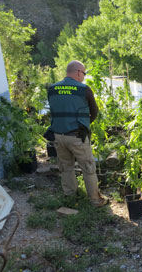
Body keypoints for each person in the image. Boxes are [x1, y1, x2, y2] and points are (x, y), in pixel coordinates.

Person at [47, 60, 108, 207]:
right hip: (77, 136)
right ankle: (95, 200)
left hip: (58, 136)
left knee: (66, 167)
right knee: (88, 167)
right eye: (84, 73)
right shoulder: (83, 89)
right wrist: (84, 125)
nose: (84, 77)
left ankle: (71, 197)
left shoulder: (52, 89)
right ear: (78, 72)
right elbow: (94, 112)